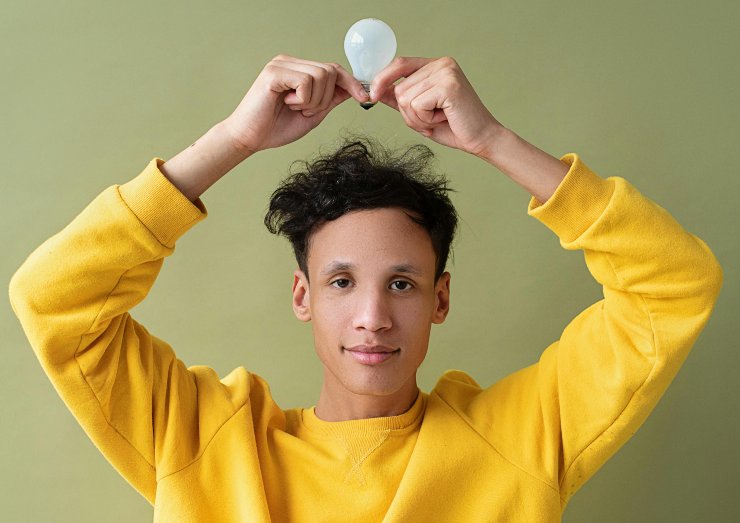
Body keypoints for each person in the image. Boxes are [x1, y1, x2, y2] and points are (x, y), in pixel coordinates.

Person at [9, 55, 723, 522]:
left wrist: (493, 141)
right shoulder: (203, 438)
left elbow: (675, 285)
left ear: (441, 298)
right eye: (342, 281)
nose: (373, 316)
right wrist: (234, 138)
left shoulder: (518, 437)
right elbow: (53, 299)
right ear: (303, 296)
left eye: (403, 283)